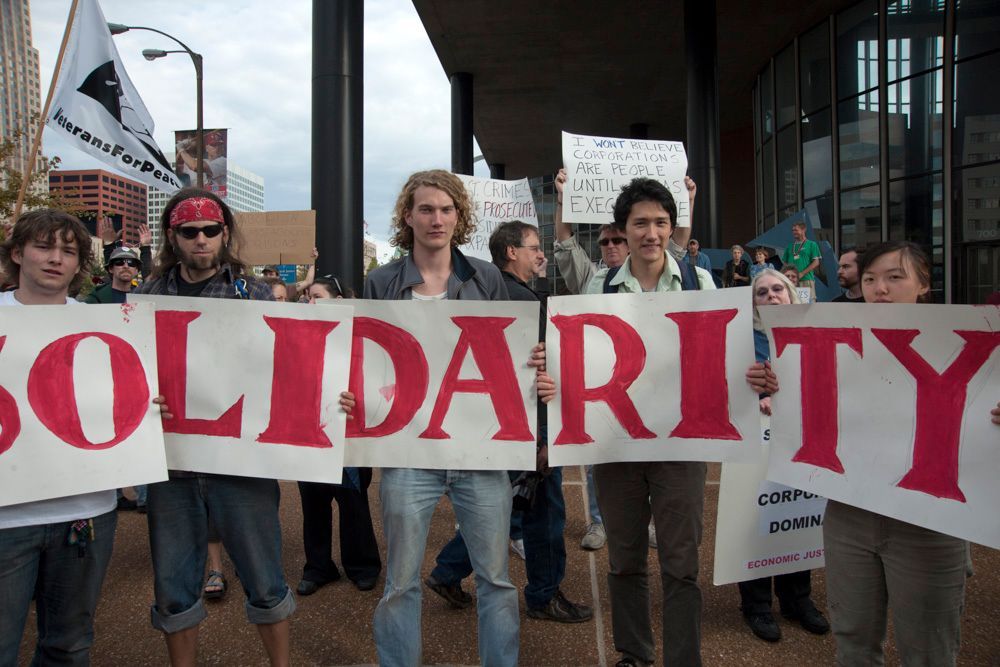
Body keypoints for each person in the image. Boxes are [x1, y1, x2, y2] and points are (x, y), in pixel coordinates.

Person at [746, 241, 1000, 665]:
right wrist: (773, 384)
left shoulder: (971, 343)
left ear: (924, 284)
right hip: (850, 516)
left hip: (930, 524)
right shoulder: (834, 340)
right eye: (870, 279)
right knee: (853, 640)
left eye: (894, 277)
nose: (880, 288)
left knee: (928, 649)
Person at [135, 188, 354, 666]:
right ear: (173, 236)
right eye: (189, 231)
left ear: (224, 233)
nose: (201, 239)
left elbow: (291, 368)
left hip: (242, 467)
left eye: (210, 230)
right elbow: (127, 375)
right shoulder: (144, 299)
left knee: (264, 578)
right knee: (173, 586)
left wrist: (331, 393)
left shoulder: (252, 293)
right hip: (170, 467)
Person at [365, 169, 553, 667]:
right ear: (408, 217)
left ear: (458, 217)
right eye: (426, 209)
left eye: (446, 209)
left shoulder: (485, 278)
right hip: (409, 453)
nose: (437, 219)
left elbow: (508, 352)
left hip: (478, 453)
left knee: (496, 579)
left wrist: (533, 359)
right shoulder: (381, 282)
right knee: (400, 582)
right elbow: (371, 360)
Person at [0, 209, 168, 664]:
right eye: (43, 247)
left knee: (70, 643)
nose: (56, 259)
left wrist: (148, 403)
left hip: (85, 512)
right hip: (6, 517)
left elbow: (122, 396)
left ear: (79, 263)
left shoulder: (104, 322)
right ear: (17, 253)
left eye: (68, 251)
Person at [425, 220, 592, 624]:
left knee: (508, 504)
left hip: (496, 421)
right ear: (512, 252)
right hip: (531, 420)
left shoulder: (487, 293)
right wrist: (544, 435)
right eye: (534, 248)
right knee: (543, 511)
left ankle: (448, 570)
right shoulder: (521, 299)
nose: (541, 255)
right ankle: (544, 595)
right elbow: (539, 370)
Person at [584, 177, 715, 667]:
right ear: (624, 228)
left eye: (661, 222)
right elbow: (583, 357)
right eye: (640, 223)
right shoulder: (598, 286)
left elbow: (718, 357)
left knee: (682, 564)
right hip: (616, 445)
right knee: (625, 560)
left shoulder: (700, 282)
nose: (652, 233)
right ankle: (635, 653)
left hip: (681, 446)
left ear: (672, 226)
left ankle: (684, 658)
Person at [553, 168, 697, 551]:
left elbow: (676, 244)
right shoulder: (595, 281)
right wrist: (563, 200)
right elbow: (565, 244)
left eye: (617, 238)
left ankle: (647, 523)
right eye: (607, 240)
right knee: (606, 466)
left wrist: (687, 203)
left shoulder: (683, 275)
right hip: (613, 397)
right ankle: (603, 522)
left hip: (666, 401)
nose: (613, 244)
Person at [739, 269, 829, 642]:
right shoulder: (740, 339)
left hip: (800, 439)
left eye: (778, 289)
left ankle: (797, 599)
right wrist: (754, 396)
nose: (771, 296)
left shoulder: (814, 334)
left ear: (792, 294)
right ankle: (757, 605)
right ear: (753, 304)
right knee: (754, 517)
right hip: (754, 441)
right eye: (761, 292)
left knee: (796, 513)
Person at [296, 278, 382, 595]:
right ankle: (318, 567)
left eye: (317, 296)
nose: (310, 302)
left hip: (348, 436)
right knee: (313, 505)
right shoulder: (299, 334)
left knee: (353, 504)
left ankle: (363, 566)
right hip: (310, 435)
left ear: (340, 299)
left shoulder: (361, 336)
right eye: (307, 297)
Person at [780, 221, 821, 300]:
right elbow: (785, 263)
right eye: (793, 230)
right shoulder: (790, 246)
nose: (794, 232)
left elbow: (816, 262)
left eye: (796, 230)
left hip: (805, 280)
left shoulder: (812, 244)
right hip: (791, 282)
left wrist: (802, 273)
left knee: (806, 304)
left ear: (803, 230)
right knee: (792, 303)